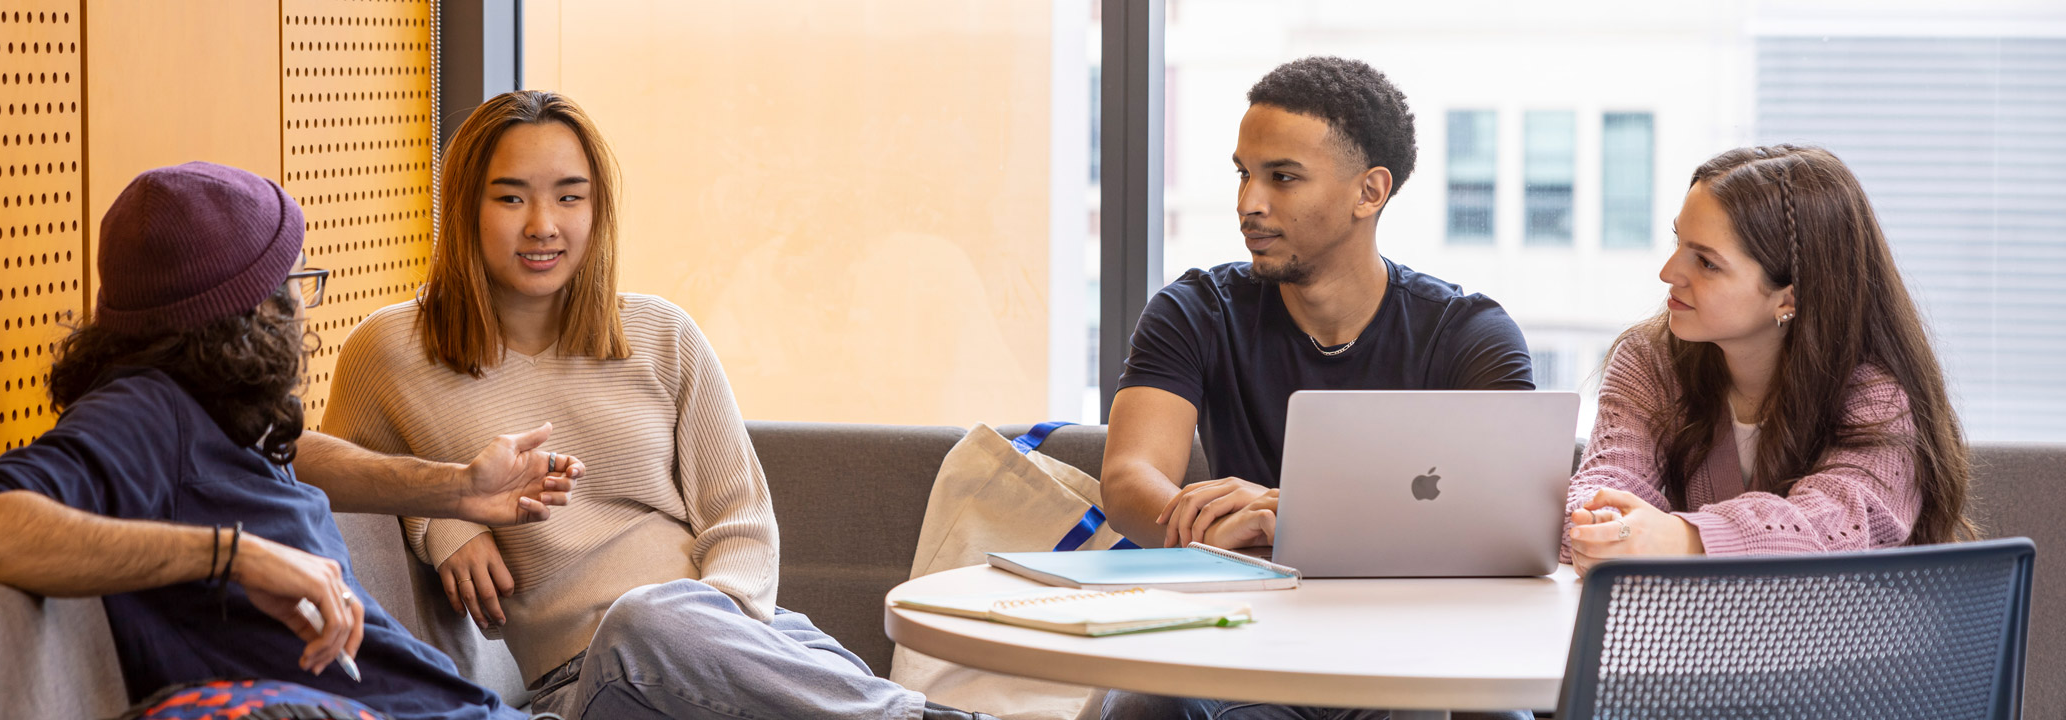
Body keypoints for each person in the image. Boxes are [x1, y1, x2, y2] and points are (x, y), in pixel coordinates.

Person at [320, 90, 994, 720]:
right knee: (640, 623)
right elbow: (328, 488)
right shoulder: (390, 352)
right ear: (465, 205)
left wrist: (713, 632)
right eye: (510, 198)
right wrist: (441, 524)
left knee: (660, 620)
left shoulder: (661, 335)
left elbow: (743, 522)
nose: (543, 225)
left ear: (597, 208)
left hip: (754, 648)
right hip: (585, 681)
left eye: (569, 197)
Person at [0, 161, 579, 720]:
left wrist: (459, 488)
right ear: (244, 313)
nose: (302, 308)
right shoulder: (144, 412)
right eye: (293, 284)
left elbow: (292, 451)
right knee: (653, 632)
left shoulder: (210, 411)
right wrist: (235, 555)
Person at [1096, 56, 1534, 720]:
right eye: (1244, 173)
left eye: (1283, 178)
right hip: (1245, 647)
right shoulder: (1195, 309)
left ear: (1370, 192)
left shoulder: (1470, 334)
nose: (1250, 203)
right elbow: (1130, 478)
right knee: (1139, 705)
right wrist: (1216, 534)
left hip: (1409, 655)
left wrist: (1287, 512)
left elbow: (1505, 523)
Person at [1563, 144, 1972, 566]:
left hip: (1848, 631)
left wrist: (1685, 538)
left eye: (1705, 262)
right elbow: (1608, 478)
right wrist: (1605, 526)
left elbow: (1834, 529)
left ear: (1788, 298)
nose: (1669, 272)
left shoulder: (1879, 399)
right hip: (1706, 630)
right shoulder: (1650, 361)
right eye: (1678, 242)